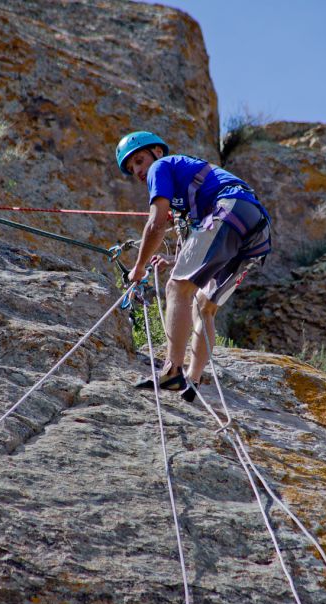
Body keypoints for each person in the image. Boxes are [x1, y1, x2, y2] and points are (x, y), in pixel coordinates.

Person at [116, 130, 271, 402]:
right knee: (204, 304)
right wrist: (173, 260)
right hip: (254, 230)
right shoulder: (187, 192)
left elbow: (156, 223)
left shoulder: (161, 167)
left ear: (157, 152)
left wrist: (138, 268)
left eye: (139, 160)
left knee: (176, 288)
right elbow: (204, 247)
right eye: (132, 168)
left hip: (229, 209)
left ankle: (171, 371)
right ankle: (193, 379)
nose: (138, 170)